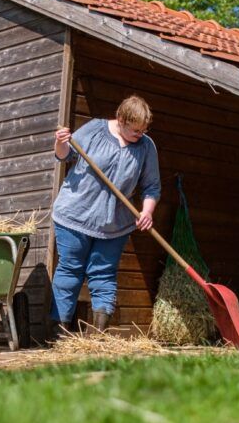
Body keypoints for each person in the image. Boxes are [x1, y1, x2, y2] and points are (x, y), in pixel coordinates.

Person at [50, 95, 160, 335]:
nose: (139, 135)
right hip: (75, 215)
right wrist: (61, 143)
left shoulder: (146, 147)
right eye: (135, 130)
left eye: (143, 130)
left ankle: (97, 335)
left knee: (103, 273)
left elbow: (152, 186)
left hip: (114, 224)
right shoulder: (94, 130)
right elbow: (64, 155)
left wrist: (147, 211)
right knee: (70, 269)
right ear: (120, 119)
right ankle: (59, 332)